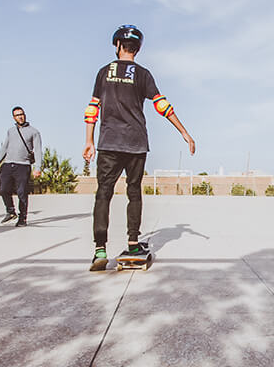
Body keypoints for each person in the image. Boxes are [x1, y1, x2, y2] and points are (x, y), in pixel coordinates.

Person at [83, 24, 195, 271]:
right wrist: (184, 132)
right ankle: (133, 242)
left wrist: (89, 141)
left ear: (117, 45)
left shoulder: (104, 72)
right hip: (135, 143)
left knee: (104, 193)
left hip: (109, 142)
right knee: (134, 191)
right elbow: (162, 106)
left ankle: (100, 249)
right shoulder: (143, 74)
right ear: (138, 48)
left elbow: (92, 109)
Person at [0, 106, 41, 227]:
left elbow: (38, 150)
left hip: (23, 165)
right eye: (17, 115)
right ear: (14, 117)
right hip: (8, 164)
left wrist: (38, 167)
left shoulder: (34, 132)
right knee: (3, 189)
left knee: (22, 192)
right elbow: (4, 147)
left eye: (22, 114)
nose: (20, 116)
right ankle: (10, 211)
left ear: (25, 115)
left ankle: (22, 218)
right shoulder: (11, 131)